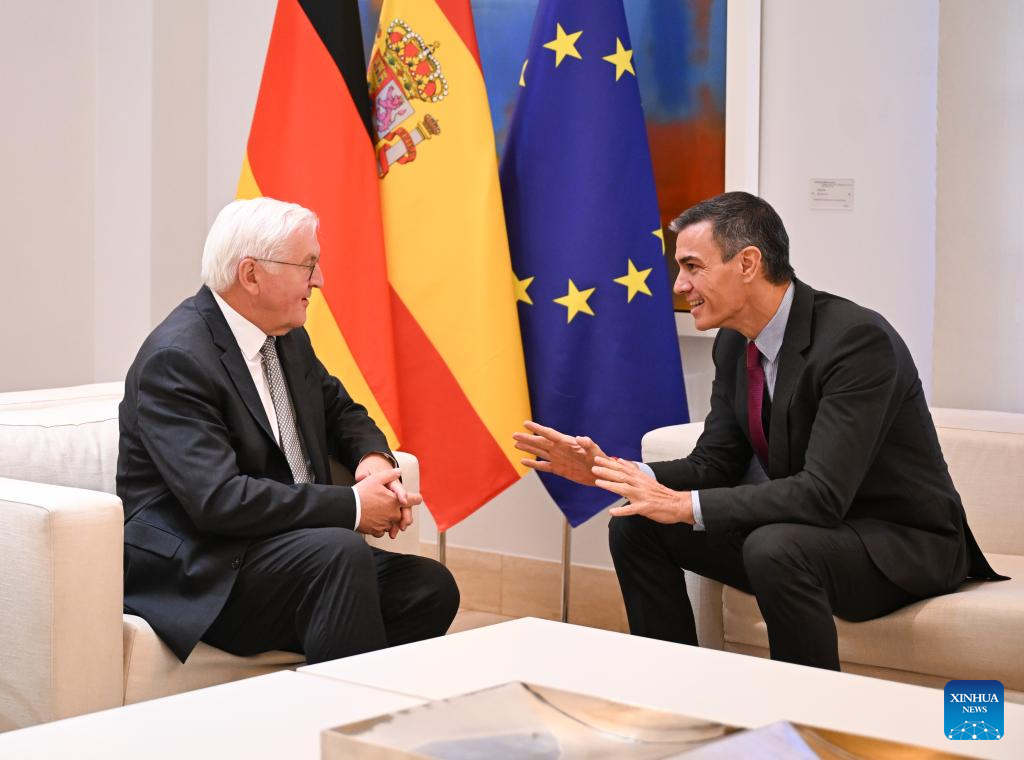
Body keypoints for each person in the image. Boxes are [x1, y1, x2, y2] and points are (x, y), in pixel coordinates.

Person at [513, 191, 1004, 670]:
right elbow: (715, 463)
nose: (679, 284)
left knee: (775, 548)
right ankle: (673, 698)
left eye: (692, 266)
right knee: (638, 525)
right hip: (813, 533)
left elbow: (822, 496)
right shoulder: (733, 343)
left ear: (747, 263)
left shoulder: (856, 341)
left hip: (899, 543)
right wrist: (607, 471)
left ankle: (807, 728)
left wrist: (685, 507)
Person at [118, 197, 458, 665]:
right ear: (252, 274)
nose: (318, 280)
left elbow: (341, 411)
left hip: (286, 550)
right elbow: (218, 501)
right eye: (307, 266)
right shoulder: (176, 359)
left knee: (431, 588)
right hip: (205, 569)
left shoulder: (285, 335)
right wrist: (356, 506)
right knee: (339, 554)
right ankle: (340, 724)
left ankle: (369, 709)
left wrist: (373, 462)